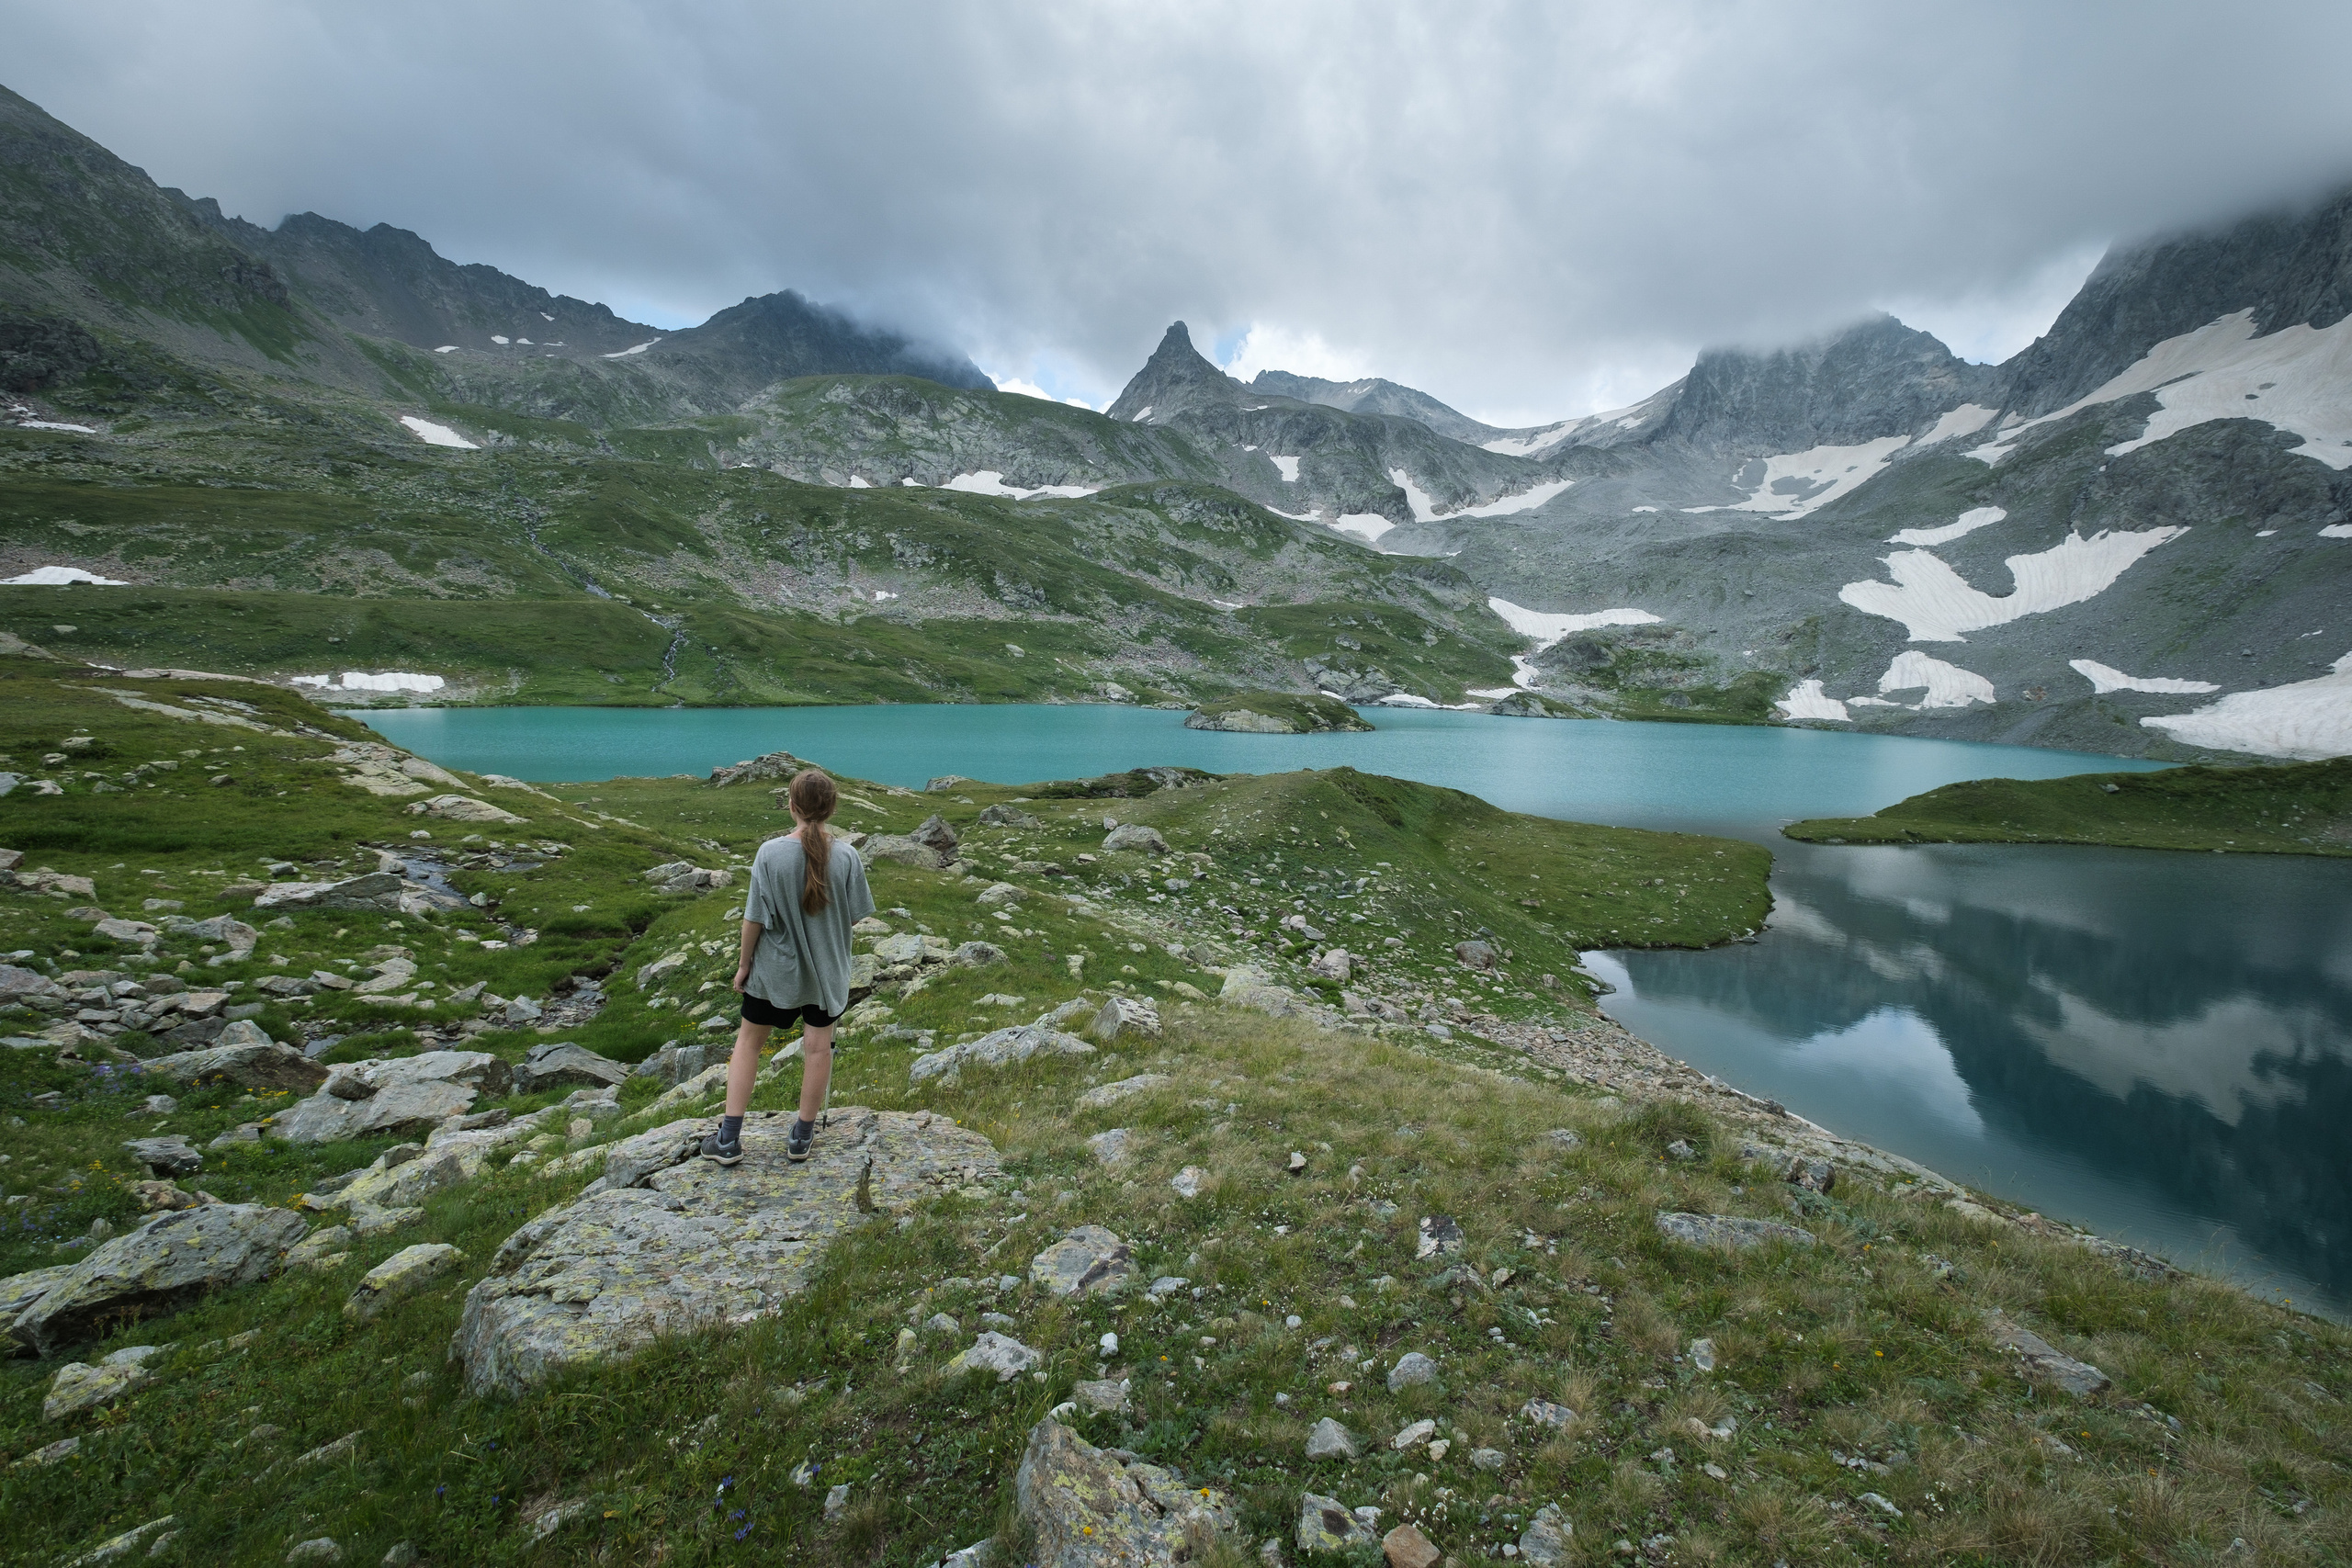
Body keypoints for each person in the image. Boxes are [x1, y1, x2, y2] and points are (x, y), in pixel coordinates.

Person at [701, 767, 874, 1166]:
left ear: (792, 806)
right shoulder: (847, 856)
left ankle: (728, 1140)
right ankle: (802, 1137)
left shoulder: (770, 853)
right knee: (817, 1049)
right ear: (831, 809)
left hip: (774, 971)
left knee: (748, 1043)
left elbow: (754, 919)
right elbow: (852, 917)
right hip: (827, 972)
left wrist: (744, 965)